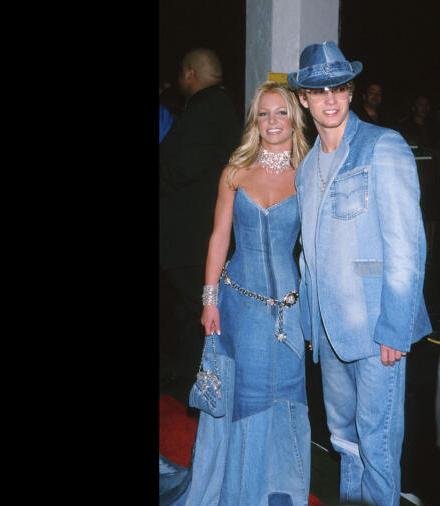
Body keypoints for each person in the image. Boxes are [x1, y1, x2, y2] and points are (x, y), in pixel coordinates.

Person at [288, 41, 432, 506]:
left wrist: (396, 326)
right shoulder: (307, 169)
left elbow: (407, 248)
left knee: (378, 444)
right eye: (319, 89)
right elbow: (309, 255)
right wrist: (312, 325)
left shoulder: (382, 146)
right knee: (342, 438)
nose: (330, 98)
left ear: (350, 93)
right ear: (304, 99)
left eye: (339, 87)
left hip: (377, 332)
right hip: (329, 333)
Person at [159, 80, 313, 506]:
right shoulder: (236, 170)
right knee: (243, 396)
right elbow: (218, 238)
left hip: (287, 309)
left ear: (294, 117)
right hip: (238, 304)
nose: (272, 121)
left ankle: (275, 488)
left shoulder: (310, 172)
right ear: (254, 121)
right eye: (263, 114)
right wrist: (209, 302)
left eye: (281, 112)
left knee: (281, 396)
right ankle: (239, 490)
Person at [159, 48, 241, 384]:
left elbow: (181, 169)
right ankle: (187, 376)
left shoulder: (205, 111)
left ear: (190, 73)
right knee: (189, 311)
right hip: (201, 234)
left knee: (201, 311)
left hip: (193, 239)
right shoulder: (221, 107)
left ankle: (204, 379)